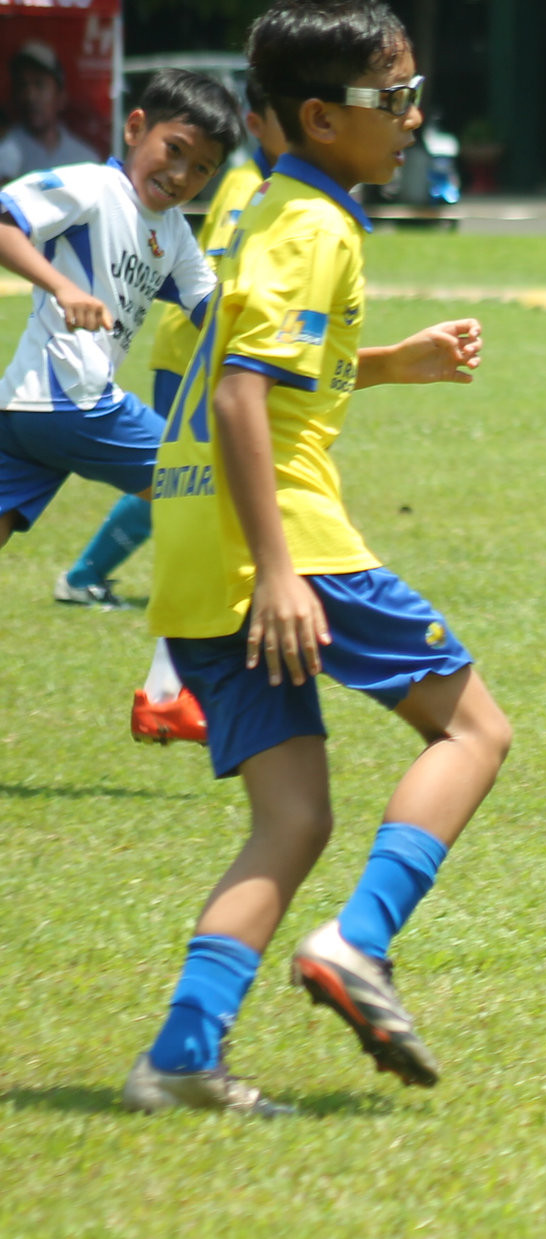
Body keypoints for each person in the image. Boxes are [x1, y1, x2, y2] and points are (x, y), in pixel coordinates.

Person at [123, 0, 508, 1118]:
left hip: (197, 553)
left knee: (293, 818)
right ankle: (358, 941)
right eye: (395, 98)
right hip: (282, 547)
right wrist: (283, 571)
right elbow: (240, 395)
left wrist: (388, 362)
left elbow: (237, 360)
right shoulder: (313, 228)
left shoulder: (267, 211)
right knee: (475, 731)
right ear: (321, 118)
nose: (413, 116)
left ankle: (181, 1057)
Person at [53, 78, 291, 748]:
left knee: (189, 495)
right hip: (192, 361)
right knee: (192, 491)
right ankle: (152, 669)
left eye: (199, 165)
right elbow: (211, 275)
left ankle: (165, 687)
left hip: (223, 356)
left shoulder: (264, 185)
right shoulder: (245, 186)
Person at [0, 72, 236, 567]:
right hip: (74, 400)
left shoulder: (173, 232)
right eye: (174, 150)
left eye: (201, 168)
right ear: (135, 128)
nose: (180, 175)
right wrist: (63, 287)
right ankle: (235, 611)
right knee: (205, 482)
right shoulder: (94, 187)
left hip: (24, 407)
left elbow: (215, 313)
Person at [0, 40, 101, 180]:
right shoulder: (5, 152)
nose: (30, 96)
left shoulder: (84, 160)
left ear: (60, 96)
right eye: (23, 85)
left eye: (39, 85)